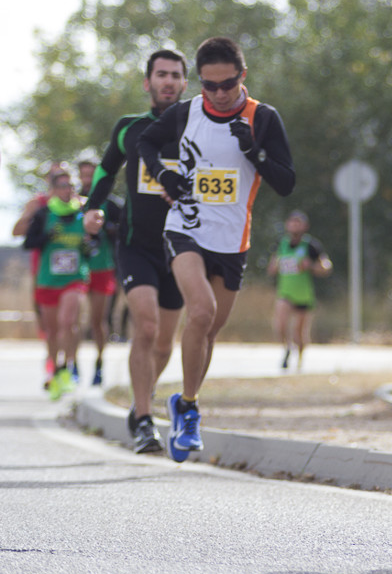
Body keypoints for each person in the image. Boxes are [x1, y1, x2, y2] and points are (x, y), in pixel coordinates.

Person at [138, 37, 295, 462]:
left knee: (208, 331)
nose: (220, 94)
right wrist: (164, 176)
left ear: (242, 76)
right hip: (185, 228)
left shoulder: (263, 117)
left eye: (227, 84)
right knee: (201, 311)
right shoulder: (185, 112)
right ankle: (190, 413)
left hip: (233, 240)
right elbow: (145, 143)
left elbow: (286, 182)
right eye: (210, 85)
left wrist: (253, 152)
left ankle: (185, 403)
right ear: (200, 82)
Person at [84, 49, 189, 453]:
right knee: (144, 327)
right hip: (135, 246)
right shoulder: (129, 127)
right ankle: (145, 421)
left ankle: (140, 398)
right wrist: (92, 208)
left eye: (175, 75)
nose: (168, 81)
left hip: (181, 248)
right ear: (148, 83)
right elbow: (106, 170)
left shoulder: (197, 127)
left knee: (163, 343)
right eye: (161, 74)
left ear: (184, 83)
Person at [22, 169, 90, 399]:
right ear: (53, 190)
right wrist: (47, 237)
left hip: (74, 278)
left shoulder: (83, 212)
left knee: (67, 322)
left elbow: (96, 241)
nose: (66, 190)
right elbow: (28, 243)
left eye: (70, 186)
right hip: (48, 280)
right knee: (51, 331)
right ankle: (54, 369)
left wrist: (89, 245)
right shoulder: (43, 214)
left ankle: (67, 368)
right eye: (62, 186)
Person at [266, 210, 332, 370]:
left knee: (299, 332)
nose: (294, 226)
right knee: (280, 323)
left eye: (298, 223)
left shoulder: (311, 246)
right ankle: (287, 348)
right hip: (285, 292)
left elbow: (326, 267)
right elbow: (271, 268)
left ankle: (300, 361)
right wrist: (276, 266)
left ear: (305, 226)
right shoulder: (281, 244)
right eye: (292, 222)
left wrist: (312, 266)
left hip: (304, 294)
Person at [77, 156, 121, 386]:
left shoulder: (111, 204)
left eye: (90, 175)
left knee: (98, 320)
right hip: (77, 270)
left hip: (103, 267)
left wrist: (110, 229)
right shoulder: (73, 202)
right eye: (83, 174)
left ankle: (99, 364)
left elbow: (124, 231)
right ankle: (71, 365)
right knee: (73, 320)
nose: (87, 179)